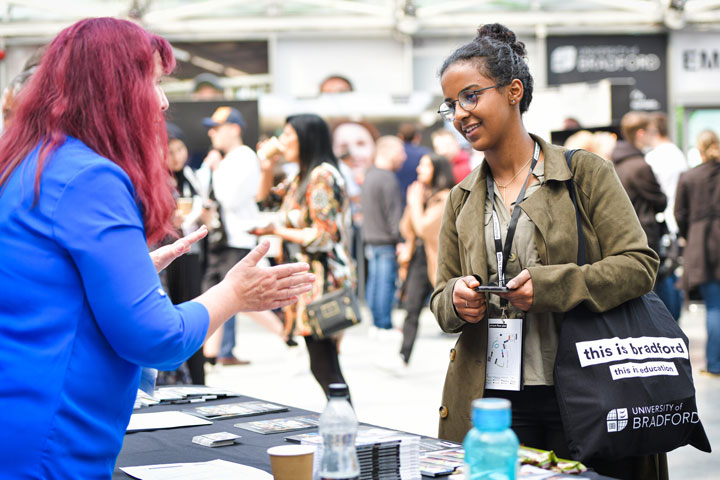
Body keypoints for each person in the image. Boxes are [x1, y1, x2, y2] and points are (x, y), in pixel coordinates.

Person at [0, 18, 314, 479]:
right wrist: (233, 294)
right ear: (113, 88)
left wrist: (132, 270)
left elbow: (45, 283)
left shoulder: (31, 162)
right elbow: (157, 338)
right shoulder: (93, 177)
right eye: (155, 82)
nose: (163, 101)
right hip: (54, 439)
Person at [430, 23, 665, 479]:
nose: (459, 114)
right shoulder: (461, 197)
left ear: (514, 91)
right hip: (495, 400)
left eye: (470, 96)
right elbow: (440, 296)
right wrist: (456, 297)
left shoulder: (585, 173)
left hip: (587, 389)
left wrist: (551, 286)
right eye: (451, 104)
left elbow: (639, 266)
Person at [254, 113, 355, 398]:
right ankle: (342, 422)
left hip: (324, 283)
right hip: (311, 281)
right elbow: (264, 201)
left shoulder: (322, 176)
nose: (281, 141)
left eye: (288, 134)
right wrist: (267, 165)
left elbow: (323, 235)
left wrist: (277, 231)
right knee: (324, 363)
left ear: (306, 138)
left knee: (324, 364)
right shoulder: (302, 175)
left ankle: (344, 424)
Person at [199, 106, 285, 366]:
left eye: (217, 128)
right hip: (224, 239)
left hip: (239, 240)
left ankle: (288, 337)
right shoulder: (224, 159)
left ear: (234, 129)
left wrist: (215, 169)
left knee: (240, 299)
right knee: (218, 296)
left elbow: (230, 199)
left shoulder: (244, 157)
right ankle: (210, 357)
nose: (212, 133)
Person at [392, 153, 454, 371]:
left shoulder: (446, 197)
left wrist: (415, 203)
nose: (419, 169)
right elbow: (406, 228)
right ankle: (403, 355)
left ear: (437, 170)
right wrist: (414, 204)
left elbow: (425, 228)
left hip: (438, 259)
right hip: (418, 258)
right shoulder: (422, 195)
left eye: (425, 166)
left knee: (449, 310)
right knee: (411, 309)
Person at [161, 123, 207, 384]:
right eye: (170, 151)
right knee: (175, 313)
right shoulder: (158, 179)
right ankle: (179, 377)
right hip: (168, 253)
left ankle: (198, 377)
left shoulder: (191, 176)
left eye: (180, 149)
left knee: (193, 309)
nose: (176, 156)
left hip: (191, 253)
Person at [675, 129, 720, 377]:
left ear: (700, 150)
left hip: (701, 245)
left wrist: (690, 234)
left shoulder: (689, 177)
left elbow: (679, 213)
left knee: (714, 307)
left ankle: (714, 364)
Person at [361, 136, 406, 335]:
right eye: (399, 152)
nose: (403, 157)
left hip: (371, 237)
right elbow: (393, 214)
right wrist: (401, 239)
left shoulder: (370, 175)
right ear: (388, 153)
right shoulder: (387, 178)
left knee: (375, 280)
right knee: (385, 282)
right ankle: (384, 324)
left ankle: (376, 322)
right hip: (386, 239)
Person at [645, 112, 687, 321]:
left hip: (661, 221)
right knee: (671, 272)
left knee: (663, 275)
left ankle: (668, 322)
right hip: (674, 221)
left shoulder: (654, 157)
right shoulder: (678, 154)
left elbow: (654, 192)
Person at [611, 111, 667, 255]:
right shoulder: (640, 166)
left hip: (622, 233)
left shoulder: (615, 163)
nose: (654, 135)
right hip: (643, 235)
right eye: (652, 131)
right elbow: (660, 201)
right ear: (641, 133)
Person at [395, 122, 429, 204]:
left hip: (397, 199)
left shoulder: (394, 154)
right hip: (419, 199)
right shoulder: (426, 154)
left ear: (400, 137)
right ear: (417, 137)